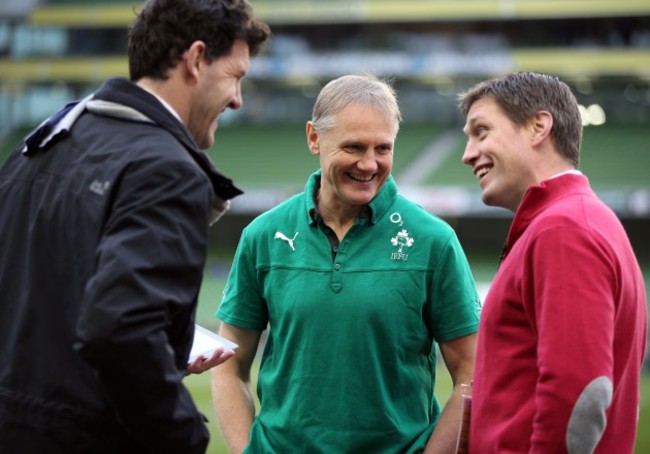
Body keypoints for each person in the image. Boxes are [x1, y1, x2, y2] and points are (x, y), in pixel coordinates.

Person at [0, 0, 270, 452]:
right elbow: (119, 329)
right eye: (236, 76)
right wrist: (184, 435)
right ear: (196, 59)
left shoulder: (42, 140)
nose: (238, 99)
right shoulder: (168, 169)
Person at [211, 74, 481, 453]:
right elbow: (229, 364)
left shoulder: (433, 241)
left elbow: (472, 372)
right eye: (354, 147)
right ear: (313, 138)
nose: (369, 164)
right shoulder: (263, 235)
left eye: (383, 148)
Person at [457, 71, 648, 453]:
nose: (467, 154)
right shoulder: (576, 220)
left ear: (538, 127)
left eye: (481, 132)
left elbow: (580, 396)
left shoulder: (563, 229)